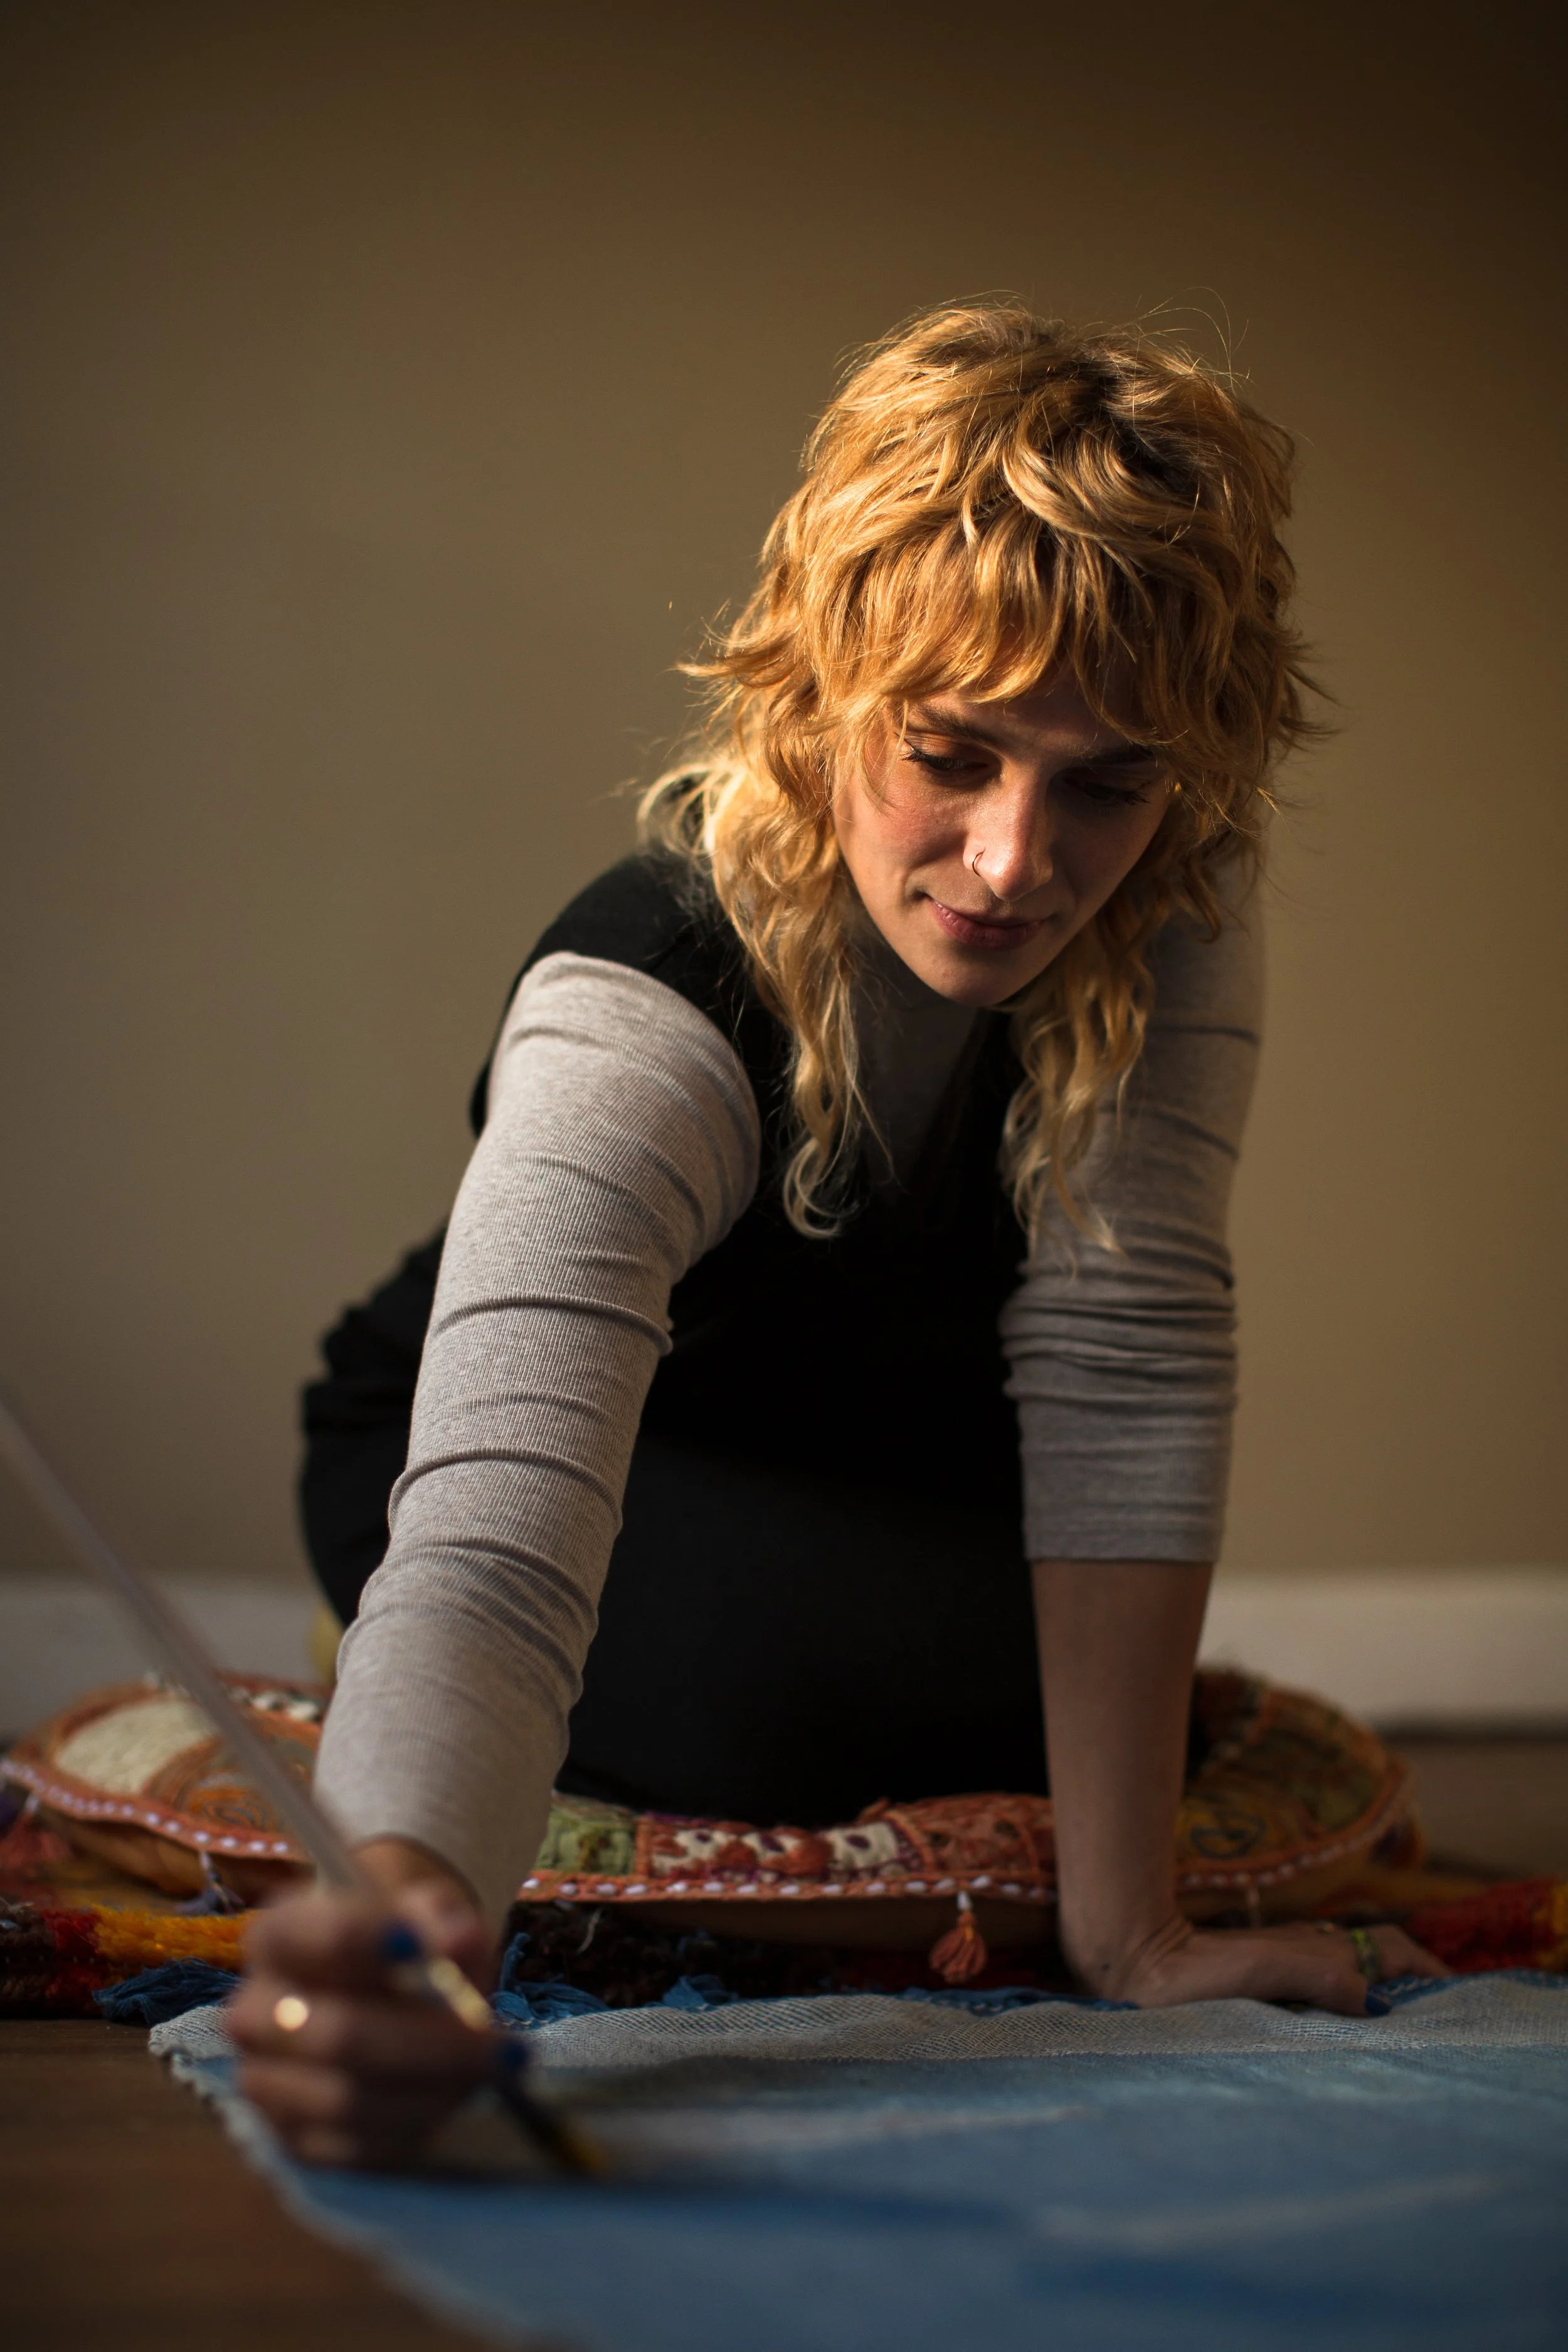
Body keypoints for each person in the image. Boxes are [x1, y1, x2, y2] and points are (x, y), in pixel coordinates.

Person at [231, 304, 1438, 2165]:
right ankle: (388, 1667)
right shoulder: (638, 1017)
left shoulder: (1172, 890)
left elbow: (1126, 1357)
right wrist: (403, 1905)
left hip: (878, 1452)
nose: (1018, 861)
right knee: (790, 1713)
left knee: (1021, 1700)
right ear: (811, 697)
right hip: (569, 1451)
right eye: (949, 752)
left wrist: (1132, 1935)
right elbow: (498, 1541)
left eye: (1107, 779)